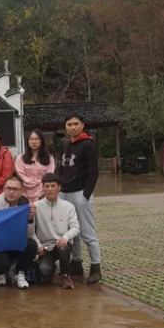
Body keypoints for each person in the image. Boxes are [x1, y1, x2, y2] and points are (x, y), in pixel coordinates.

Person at [58, 113, 102, 284]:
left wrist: (86, 195)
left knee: (86, 232)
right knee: (71, 231)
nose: (72, 127)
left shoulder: (88, 144)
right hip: (65, 192)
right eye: (69, 124)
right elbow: (63, 169)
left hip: (80, 192)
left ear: (82, 125)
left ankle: (96, 267)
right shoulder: (66, 144)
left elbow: (93, 172)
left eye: (76, 124)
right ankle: (76, 263)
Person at [0, 175, 38, 289]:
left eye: (15, 189)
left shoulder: (26, 205)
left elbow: (29, 234)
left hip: (17, 242)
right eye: (8, 188)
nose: (11, 192)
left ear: (22, 191)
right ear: (4, 189)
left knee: (31, 244)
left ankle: (20, 274)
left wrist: (30, 219)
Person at [33, 174, 79, 289]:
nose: (50, 189)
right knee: (44, 270)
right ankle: (50, 268)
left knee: (63, 248)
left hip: (62, 243)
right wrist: (39, 245)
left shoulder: (68, 206)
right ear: (43, 187)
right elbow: (31, 230)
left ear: (59, 187)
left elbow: (75, 227)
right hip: (46, 247)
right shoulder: (36, 207)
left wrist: (65, 237)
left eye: (53, 186)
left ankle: (65, 274)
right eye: (47, 186)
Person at [15, 129, 56, 203]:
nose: (34, 142)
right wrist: (35, 182)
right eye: (31, 139)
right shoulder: (20, 158)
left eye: (37, 139)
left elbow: (49, 177)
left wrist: (40, 191)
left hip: (43, 193)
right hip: (24, 194)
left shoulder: (49, 159)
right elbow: (21, 175)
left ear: (42, 141)